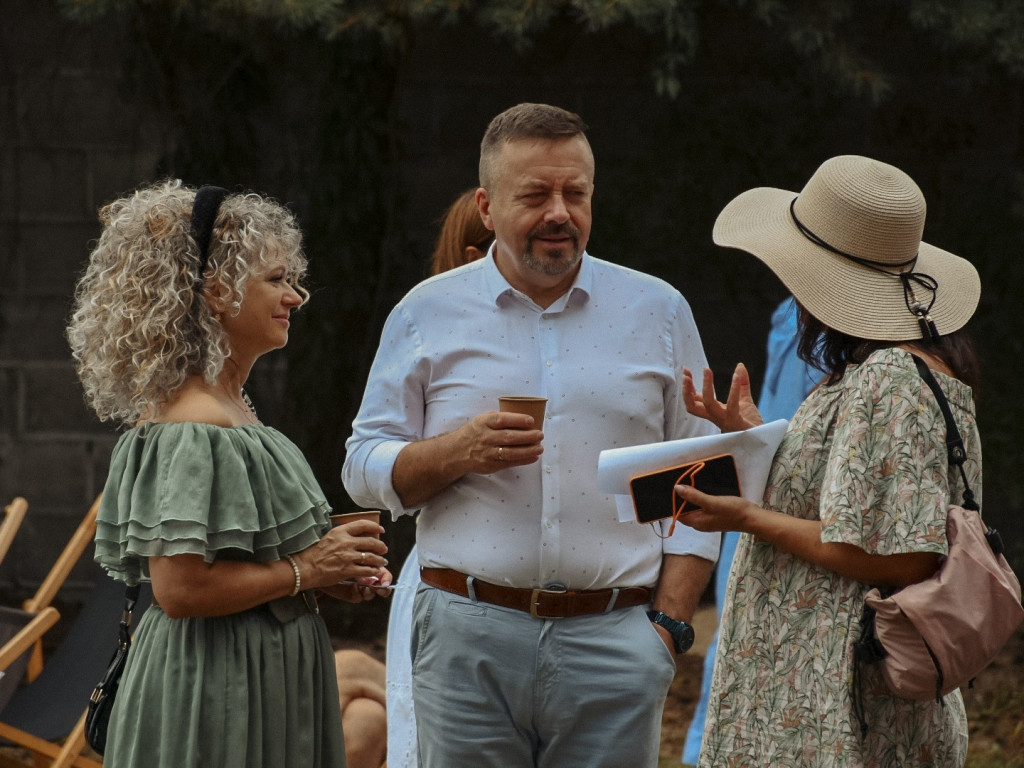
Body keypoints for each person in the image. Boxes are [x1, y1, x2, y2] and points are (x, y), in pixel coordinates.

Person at [343, 102, 719, 768]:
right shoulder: (426, 312)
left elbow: (702, 476)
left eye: (576, 193)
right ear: (487, 207)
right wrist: (456, 452)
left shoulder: (658, 311)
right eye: (536, 195)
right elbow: (362, 466)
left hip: (616, 641)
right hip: (466, 639)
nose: (559, 212)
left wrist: (667, 625)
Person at [66, 180, 393, 768]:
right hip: (215, 689)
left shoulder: (232, 411)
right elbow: (182, 590)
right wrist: (308, 569)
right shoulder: (194, 426)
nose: (295, 297)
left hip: (254, 678)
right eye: (277, 279)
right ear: (216, 290)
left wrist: (327, 575)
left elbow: (245, 565)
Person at [678, 155, 980, 767]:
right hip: (817, 697)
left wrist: (746, 518)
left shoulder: (891, 377)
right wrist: (761, 440)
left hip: (842, 705)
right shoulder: (877, 370)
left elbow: (905, 555)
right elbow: (851, 497)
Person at [680, 294, 818, 765]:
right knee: (737, 639)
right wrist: (756, 440)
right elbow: (793, 444)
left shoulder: (875, 346)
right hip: (762, 523)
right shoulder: (790, 312)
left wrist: (750, 513)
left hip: (801, 545)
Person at [385, 187, 493, 768]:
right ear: (475, 257)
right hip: (452, 585)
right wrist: (463, 449)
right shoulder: (433, 337)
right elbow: (375, 463)